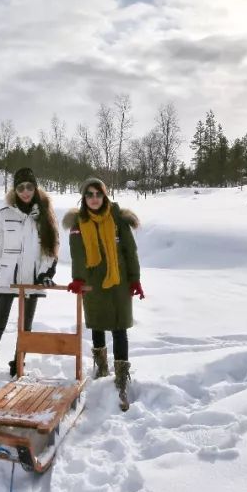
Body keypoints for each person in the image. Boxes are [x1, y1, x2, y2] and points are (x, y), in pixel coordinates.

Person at [0, 167, 59, 390]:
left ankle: (17, 365)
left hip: (31, 281)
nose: (25, 191)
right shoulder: (4, 215)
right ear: (15, 189)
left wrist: (44, 273)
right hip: (6, 279)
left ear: (35, 187)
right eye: (20, 187)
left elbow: (50, 251)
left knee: (26, 328)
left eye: (29, 187)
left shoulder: (45, 216)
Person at [64, 176, 143, 411]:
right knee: (97, 323)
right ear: (83, 198)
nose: (94, 198)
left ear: (105, 196)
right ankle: (101, 366)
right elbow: (77, 254)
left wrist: (135, 279)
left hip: (118, 281)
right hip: (92, 281)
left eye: (98, 194)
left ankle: (121, 377)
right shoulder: (78, 223)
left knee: (120, 327)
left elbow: (130, 251)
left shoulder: (118, 219)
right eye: (89, 194)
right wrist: (78, 279)